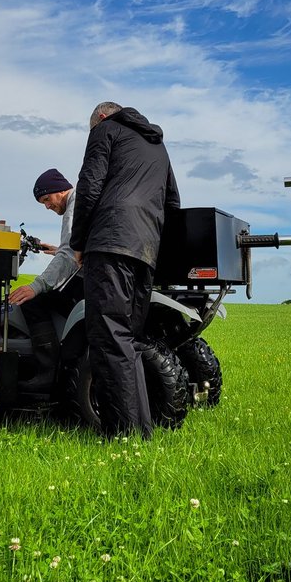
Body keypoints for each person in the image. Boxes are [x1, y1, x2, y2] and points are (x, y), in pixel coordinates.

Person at [70, 102, 180, 438]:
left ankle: (120, 435)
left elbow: (89, 186)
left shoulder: (105, 130)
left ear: (101, 117)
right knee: (128, 341)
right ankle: (140, 434)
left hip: (110, 244)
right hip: (146, 251)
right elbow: (172, 203)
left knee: (107, 339)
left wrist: (78, 242)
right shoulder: (157, 146)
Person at [8, 168, 84, 388]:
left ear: (60, 190)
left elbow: (70, 254)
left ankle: (47, 373)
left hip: (90, 282)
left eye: (47, 199)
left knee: (34, 302)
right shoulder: (81, 201)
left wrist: (36, 286)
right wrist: (58, 249)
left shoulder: (74, 204)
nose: (47, 206)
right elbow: (75, 246)